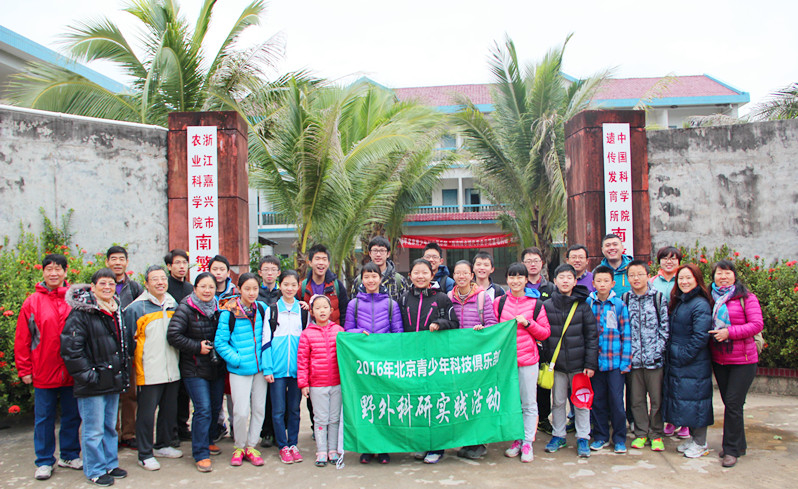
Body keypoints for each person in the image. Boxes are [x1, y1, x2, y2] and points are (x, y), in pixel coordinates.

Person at [15, 254, 82, 480]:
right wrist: (24, 369)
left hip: (72, 370)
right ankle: (44, 460)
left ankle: (69, 455)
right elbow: (23, 338)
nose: (54, 273)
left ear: (65, 271)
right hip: (43, 369)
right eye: (49, 269)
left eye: (58, 269)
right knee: (44, 418)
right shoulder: (32, 302)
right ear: (43, 272)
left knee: (72, 415)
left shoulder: (75, 298)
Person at [61, 269, 130, 487]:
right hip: (93, 381)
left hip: (112, 379)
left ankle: (110, 463)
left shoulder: (115, 309)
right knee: (93, 430)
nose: (107, 287)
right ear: (93, 287)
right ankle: (95, 470)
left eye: (111, 283)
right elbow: (71, 350)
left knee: (109, 426)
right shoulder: (81, 313)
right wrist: (88, 375)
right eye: (102, 283)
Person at [400, 258, 459, 464]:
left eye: (424, 272)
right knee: (417, 402)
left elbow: (455, 323)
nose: (420, 276)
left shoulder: (441, 298)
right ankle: (423, 443)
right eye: (416, 272)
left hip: (435, 359)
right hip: (413, 359)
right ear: (410, 276)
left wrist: (440, 323)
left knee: (435, 402)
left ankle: (437, 447)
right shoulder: (404, 298)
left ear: (432, 275)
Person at [124, 266, 182, 470]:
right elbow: (128, 342)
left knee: (168, 409)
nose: (160, 282)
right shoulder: (135, 308)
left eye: (162, 279)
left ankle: (163, 444)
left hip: (172, 367)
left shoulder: (173, 304)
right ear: (146, 284)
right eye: (154, 279)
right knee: (147, 414)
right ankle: (145, 453)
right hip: (148, 370)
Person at [167, 272, 226, 473]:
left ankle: (208, 440)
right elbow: (173, 335)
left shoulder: (219, 307)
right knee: (203, 408)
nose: (207, 290)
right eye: (203, 286)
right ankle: (200, 453)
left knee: (215, 407)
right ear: (195, 288)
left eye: (211, 287)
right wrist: (196, 346)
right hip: (194, 368)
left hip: (216, 367)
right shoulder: (186, 308)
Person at [345, 262, 403, 464]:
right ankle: (367, 448)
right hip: (362, 364)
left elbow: (398, 334)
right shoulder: (353, 304)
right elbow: (347, 331)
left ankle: (384, 448)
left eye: (374, 276)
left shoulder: (391, 304)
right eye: (366, 276)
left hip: (384, 363)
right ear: (361, 280)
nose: (370, 280)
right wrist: (358, 333)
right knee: (366, 406)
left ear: (381, 278)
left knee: (385, 405)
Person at [708, 260, 764, 468]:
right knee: (733, 404)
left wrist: (729, 332)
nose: (723, 277)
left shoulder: (746, 297)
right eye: (719, 273)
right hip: (720, 359)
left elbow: (756, 324)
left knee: (732, 403)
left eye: (727, 273)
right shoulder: (710, 298)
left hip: (744, 360)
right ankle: (739, 445)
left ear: (734, 275)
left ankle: (730, 450)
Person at [493, 262, 551, 463]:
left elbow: (545, 333)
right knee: (512, 403)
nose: (515, 281)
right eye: (512, 276)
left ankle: (527, 442)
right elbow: (493, 329)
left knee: (529, 403)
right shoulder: (499, 302)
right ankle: (516, 439)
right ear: (507, 279)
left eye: (520, 277)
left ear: (526, 280)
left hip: (528, 361)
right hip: (506, 362)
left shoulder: (536, 304)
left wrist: (528, 324)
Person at [215, 273, 274, 467]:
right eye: (247, 289)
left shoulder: (262, 308)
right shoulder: (229, 311)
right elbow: (220, 343)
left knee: (259, 409)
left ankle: (251, 446)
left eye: (255, 289)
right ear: (239, 289)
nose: (251, 293)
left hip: (260, 369)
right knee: (240, 411)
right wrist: (237, 359)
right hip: (239, 370)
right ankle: (239, 447)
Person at [542, 264, 598, 459]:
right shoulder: (547, 306)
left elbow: (591, 336)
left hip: (579, 366)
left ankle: (583, 437)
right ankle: (558, 435)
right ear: (554, 281)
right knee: (557, 402)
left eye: (569, 277)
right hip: (556, 366)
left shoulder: (583, 306)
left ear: (575, 281)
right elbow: (543, 336)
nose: (565, 281)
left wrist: (590, 364)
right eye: (561, 277)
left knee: (581, 403)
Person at [448, 260, 499, 460]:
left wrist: (482, 330)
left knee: (476, 398)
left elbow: (493, 324)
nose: (461, 276)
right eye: (457, 273)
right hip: (455, 358)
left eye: (465, 273)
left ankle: (479, 442)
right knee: (460, 399)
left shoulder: (482, 297)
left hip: (476, 358)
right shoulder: (448, 297)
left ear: (471, 276)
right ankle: (466, 440)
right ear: (453, 275)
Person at [662, 264, 714, 459]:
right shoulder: (681, 301)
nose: (684, 282)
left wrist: (683, 355)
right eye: (681, 278)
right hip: (680, 360)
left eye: (688, 278)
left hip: (693, 362)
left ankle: (701, 443)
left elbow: (701, 336)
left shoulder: (700, 304)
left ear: (697, 280)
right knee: (686, 402)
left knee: (697, 402)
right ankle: (694, 439)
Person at [622, 260, 669, 452]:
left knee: (657, 399)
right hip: (633, 361)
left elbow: (665, 327)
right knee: (636, 400)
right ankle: (641, 433)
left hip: (654, 360)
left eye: (640, 274)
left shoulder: (658, 298)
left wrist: (658, 350)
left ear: (648, 276)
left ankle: (656, 434)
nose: (636, 278)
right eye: (632, 275)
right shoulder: (625, 299)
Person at [587, 266, 632, 454]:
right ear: (593, 283)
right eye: (599, 281)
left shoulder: (619, 305)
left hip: (615, 363)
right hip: (595, 363)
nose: (602, 284)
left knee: (616, 402)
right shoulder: (589, 304)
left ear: (613, 283)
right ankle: (601, 436)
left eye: (606, 281)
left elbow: (626, 335)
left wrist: (625, 361)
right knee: (597, 401)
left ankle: (619, 438)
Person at [298, 295, 345, 467]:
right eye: (317, 308)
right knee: (320, 418)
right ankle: (322, 451)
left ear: (331, 310)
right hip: (317, 384)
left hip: (337, 383)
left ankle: (333, 450)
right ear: (312, 312)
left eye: (325, 307)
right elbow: (302, 361)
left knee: (334, 418)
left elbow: (347, 352)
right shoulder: (307, 334)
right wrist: (303, 384)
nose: (322, 311)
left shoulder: (338, 330)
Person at [266, 270, 308, 465]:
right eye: (286, 284)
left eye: (293, 285)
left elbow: (307, 342)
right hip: (277, 370)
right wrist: (268, 368)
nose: (290, 288)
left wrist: (305, 370)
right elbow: (266, 341)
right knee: (278, 410)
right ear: (279, 285)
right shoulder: (272, 310)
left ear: (298, 286)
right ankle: (282, 446)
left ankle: (293, 444)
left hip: (297, 370)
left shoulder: (303, 311)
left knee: (294, 410)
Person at [106, 245, 143, 451]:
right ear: (107, 262)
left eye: (121, 259)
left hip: (129, 347)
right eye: (114, 259)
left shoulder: (135, 287)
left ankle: (129, 434)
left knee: (130, 393)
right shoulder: (102, 284)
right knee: (111, 394)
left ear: (127, 262)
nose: (117, 262)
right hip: (107, 349)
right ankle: (113, 433)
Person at [648, 246, 686, 438]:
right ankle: (669, 420)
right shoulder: (652, 282)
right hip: (657, 336)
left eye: (673, 258)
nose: (669, 262)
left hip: (680, 335)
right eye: (665, 258)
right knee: (663, 383)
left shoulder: (684, 280)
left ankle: (684, 422)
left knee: (680, 381)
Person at [164, 249, 194, 443]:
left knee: (184, 391)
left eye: (184, 263)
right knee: (170, 392)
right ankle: (171, 431)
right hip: (168, 345)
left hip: (187, 346)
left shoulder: (190, 288)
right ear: (169, 266)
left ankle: (182, 427)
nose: (182, 267)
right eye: (177, 263)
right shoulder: (164, 286)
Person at [256, 255, 281, 448]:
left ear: (278, 273)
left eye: (273, 269)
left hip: (279, 350)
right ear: (260, 272)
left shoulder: (284, 293)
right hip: (260, 348)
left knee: (279, 395)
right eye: (266, 269)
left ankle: (279, 431)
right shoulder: (255, 294)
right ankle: (266, 432)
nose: (269, 273)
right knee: (263, 395)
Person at [300, 244, 349, 327]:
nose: (321, 263)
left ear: (328, 263)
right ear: (310, 262)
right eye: (317, 259)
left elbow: (345, 313)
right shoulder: (303, 287)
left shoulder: (337, 286)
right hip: (311, 333)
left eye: (324, 259)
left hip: (333, 333)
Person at [351, 236, 409, 301]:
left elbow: (405, 304)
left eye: (382, 251)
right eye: (375, 251)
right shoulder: (360, 280)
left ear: (388, 254)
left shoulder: (399, 280)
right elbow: (354, 304)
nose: (378, 254)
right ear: (370, 253)